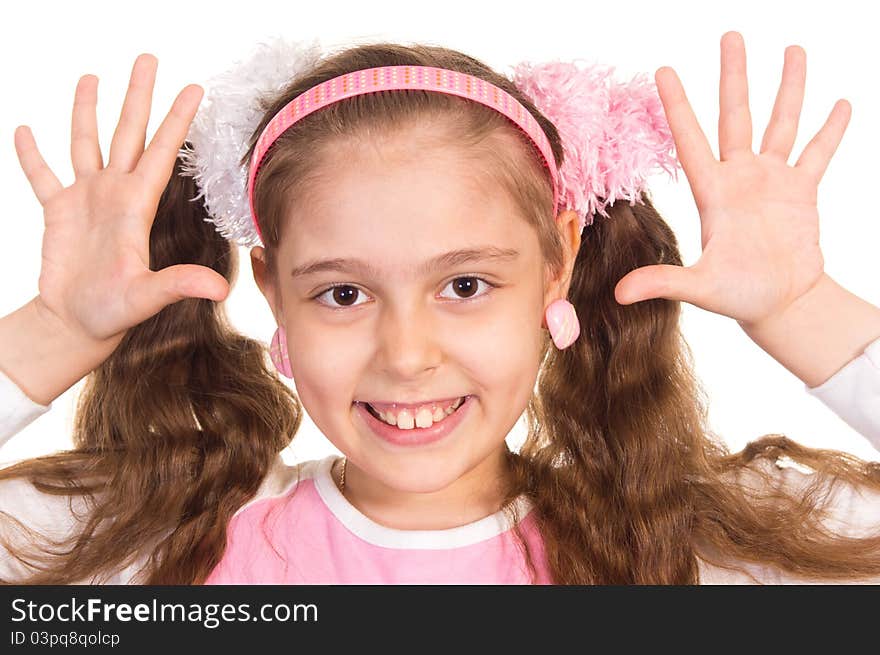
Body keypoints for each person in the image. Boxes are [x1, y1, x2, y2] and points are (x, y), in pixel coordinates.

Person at [1, 32, 878, 585]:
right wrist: (58, 330)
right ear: (271, 290)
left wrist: (804, 310)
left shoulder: (695, 555)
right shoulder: (157, 552)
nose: (407, 353)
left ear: (557, 264)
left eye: (464, 285)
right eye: (343, 293)